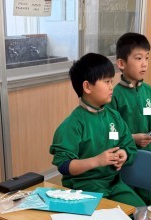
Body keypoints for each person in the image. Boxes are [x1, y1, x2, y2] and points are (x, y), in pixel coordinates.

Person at [50, 53, 145, 208]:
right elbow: (64, 166)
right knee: (109, 218)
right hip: (84, 189)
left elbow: (129, 145)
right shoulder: (73, 124)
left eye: (112, 81)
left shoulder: (114, 117)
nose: (111, 87)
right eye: (106, 82)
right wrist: (96, 161)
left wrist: (124, 154)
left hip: (114, 185)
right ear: (87, 87)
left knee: (141, 212)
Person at [109, 32, 151, 205]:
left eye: (147, 58)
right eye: (138, 58)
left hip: (149, 154)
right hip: (125, 159)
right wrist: (131, 138)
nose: (144, 63)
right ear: (121, 63)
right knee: (128, 203)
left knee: (146, 198)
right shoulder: (114, 96)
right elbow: (110, 131)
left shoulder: (150, 92)